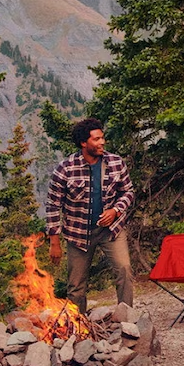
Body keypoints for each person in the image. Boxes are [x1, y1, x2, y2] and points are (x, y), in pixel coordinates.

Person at [47, 117, 136, 309]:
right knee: (76, 285)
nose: (102, 142)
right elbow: (53, 204)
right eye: (96, 139)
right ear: (83, 143)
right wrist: (54, 241)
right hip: (78, 233)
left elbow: (128, 191)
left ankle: (126, 317)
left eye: (102, 138)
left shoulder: (116, 163)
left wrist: (115, 210)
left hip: (111, 230)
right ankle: (78, 326)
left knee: (124, 270)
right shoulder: (65, 169)